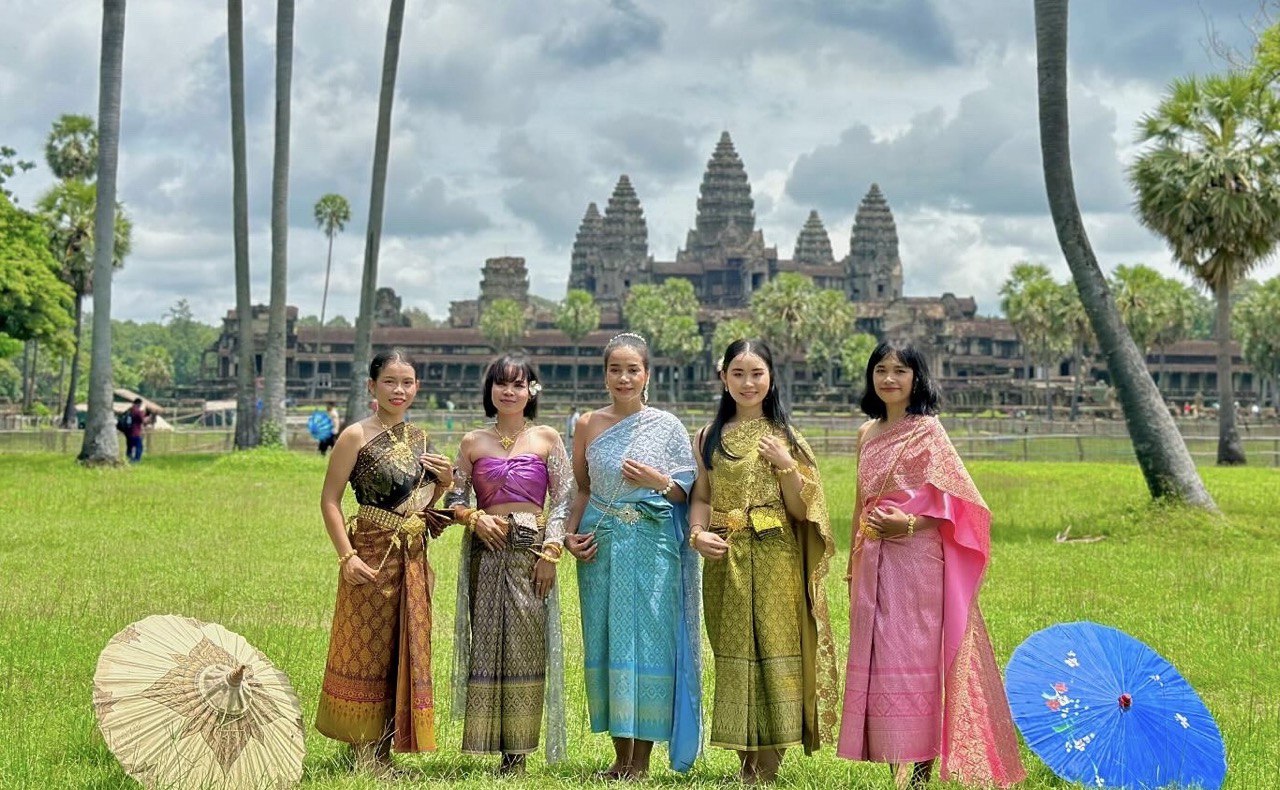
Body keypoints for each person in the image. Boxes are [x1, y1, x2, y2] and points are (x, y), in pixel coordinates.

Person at [837, 342, 1024, 789]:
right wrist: (854, 557)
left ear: (917, 378)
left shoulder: (929, 432)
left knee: (915, 656)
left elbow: (961, 501)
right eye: (880, 370)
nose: (888, 379)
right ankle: (891, 761)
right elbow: (860, 503)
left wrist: (909, 523)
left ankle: (919, 770)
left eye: (899, 371)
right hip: (873, 558)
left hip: (917, 561)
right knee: (881, 657)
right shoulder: (867, 433)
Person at [688, 339, 838, 783]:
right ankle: (745, 763)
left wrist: (786, 465)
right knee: (733, 652)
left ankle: (768, 765)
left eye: (756, 374)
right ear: (723, 378)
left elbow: (803, 510)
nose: (748, 383)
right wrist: (697, 535)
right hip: (725, 556)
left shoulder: (785, 437)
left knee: (775, 649)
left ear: (771, 378)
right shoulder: (706, 436)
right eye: (738, 374)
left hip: (776, 558)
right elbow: (701, 496)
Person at [563, 332, 702, 778]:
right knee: (606, 641)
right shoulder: (587, 424)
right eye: (615, 370)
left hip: (652, 546)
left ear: (647, 375)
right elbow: (581, 489)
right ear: (604, 375)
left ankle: (639, 762)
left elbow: (686, 492)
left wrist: (657, 478)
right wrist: (568, 535)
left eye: (633, 370)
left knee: (649, 645)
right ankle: (618, 756)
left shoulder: (667, 426)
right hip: (600, 546)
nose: (624, 378)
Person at [315, 349, 455, 774]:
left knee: (405, 646)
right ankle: (364, 753)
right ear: (371, 386)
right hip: (371, 555)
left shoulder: (421, 438)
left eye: (407, 382)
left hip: (412, 557)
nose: (399, 390)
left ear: (417, 388)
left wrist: (445, 483)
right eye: (390, 381)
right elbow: (330, 500)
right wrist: (347, 556)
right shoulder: (355, 435)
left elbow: (423, 508)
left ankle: (388, 748)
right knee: (369, 647)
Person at [443, 354, 574, 773]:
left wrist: (551, 552)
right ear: (491, 390)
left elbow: (565, 499)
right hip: (485, 551)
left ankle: (516, 752)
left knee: (525, 645)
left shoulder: (547, 439)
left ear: (531, 391)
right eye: (501, 384)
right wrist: (474, 517)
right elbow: (455, 499)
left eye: (518, 385)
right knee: (486, 640)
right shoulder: (472, 443)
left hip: (530, 551)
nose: (509, 392)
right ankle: (485, 741)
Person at [125, 398, 148, 463]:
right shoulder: (137, 411)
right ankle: (136, 460)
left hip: (128, 432)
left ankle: (128, 459)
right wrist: (143, 410)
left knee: (129, 447)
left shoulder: (129, 410)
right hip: (135, 432)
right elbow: (142, 420)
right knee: (139, 447)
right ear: (139, 404)